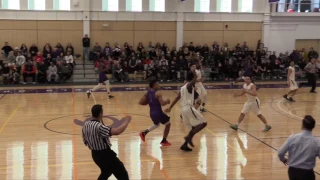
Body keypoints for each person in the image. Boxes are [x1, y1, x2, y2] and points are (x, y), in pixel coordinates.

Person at [82, 104, 131, 180]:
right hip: (105, 155)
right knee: (122, 174)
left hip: (95, 155)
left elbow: (85, 142)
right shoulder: (99, 126)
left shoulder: (86, 125)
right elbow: (117, 131)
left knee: (106, 172)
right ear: (101, 114)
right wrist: (127, 121)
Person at [165, 69, 207, 151]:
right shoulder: (189, 85)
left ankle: (185, 145)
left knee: (192, 128)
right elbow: (193, 81)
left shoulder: (182, 88)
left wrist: (170, 107)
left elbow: (177, 98)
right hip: (188, 108)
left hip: (183, 110)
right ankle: (188, 137)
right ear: (192, 78)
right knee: (204, 123)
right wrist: (195, 75)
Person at [278, 115, 320, 180]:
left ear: (302, 125)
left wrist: (283, 160)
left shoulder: (292, 138)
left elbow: (280, 153)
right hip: (308, 173)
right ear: (313, 127)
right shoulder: (317, 142)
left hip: (293, 171)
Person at [138, 79, 172, 146]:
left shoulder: (147, 92)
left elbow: (140, 102)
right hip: (158, 113)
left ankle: (144, 133)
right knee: (168, 124)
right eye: (157, 84)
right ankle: (164, 141)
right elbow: (162, 103)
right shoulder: (158, 93)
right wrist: (167, 101)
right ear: (154, 85)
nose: (159, 85)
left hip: (152, 113)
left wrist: (149, 102)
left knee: (157, 124)